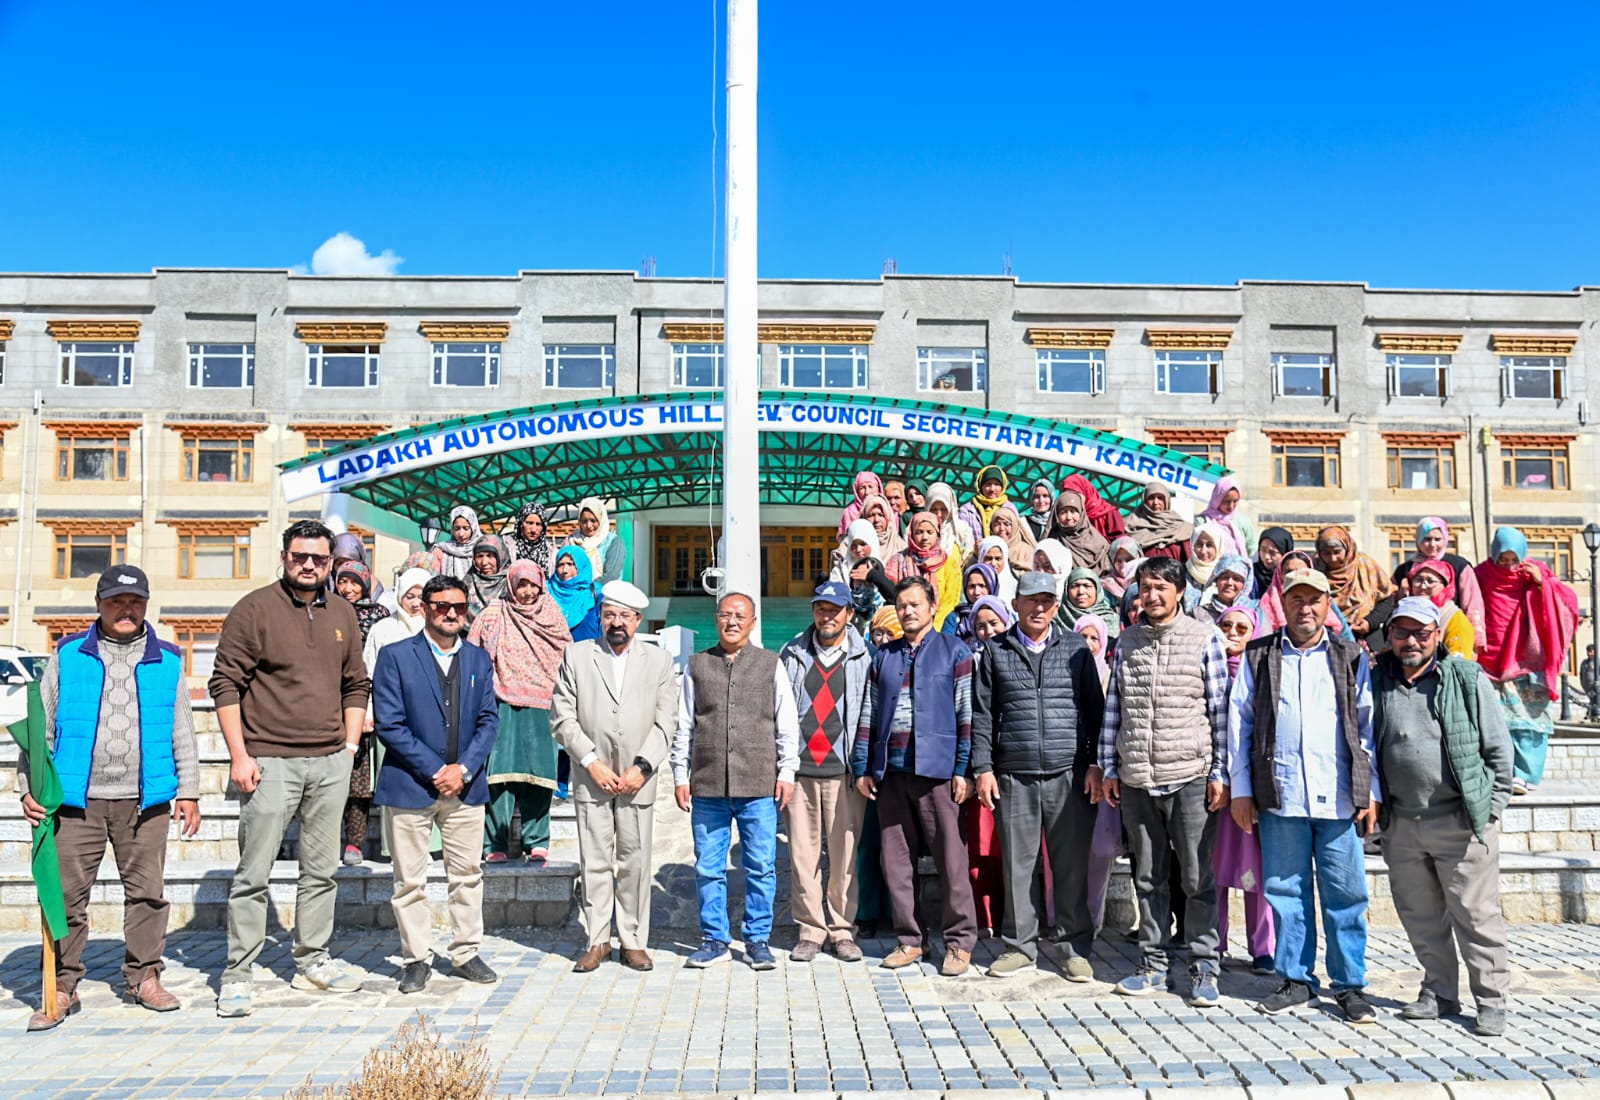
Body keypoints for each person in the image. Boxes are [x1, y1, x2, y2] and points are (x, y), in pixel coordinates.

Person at [19, 566, 199, 1031]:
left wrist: (190, 790)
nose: (126, 609)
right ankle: (61, 984)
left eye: (134, 601)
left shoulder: (168, 659)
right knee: (65, 897)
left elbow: (182, 729)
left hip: (145, 801)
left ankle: (144, 977)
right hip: (74, 800)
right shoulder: (68, 654)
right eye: (116, 601)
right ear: (99, 604)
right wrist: (28, 788)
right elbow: (39, 728)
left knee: (147, 895)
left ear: (146, 605)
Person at [211, 520, 371, 1017]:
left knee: (321, 871)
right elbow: (225, 684)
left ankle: (313, 961)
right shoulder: (254, 609)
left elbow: (355, 684)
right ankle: (238, 974)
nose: (308, 565)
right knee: (253, 873)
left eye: (319, 559)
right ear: (284, 557)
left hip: (330, 761)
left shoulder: (342, 612)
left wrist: (348, 747)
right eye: (300, 556)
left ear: (331, 562)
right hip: (269, 761)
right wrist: (239, 755)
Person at [1226, 568, 1380, 1024]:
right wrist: (1241, 790)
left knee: (1346, 895)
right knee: (1285, 892)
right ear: (1283, 604)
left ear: (1328, 604)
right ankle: (1296, 979)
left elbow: (1367, 727)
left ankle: (1350, 985)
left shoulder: (1349, 657)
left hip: (1338, 796)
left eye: (1314, 599)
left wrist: (1370, 790)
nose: (1305, 608)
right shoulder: (1260, 655)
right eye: (1296, 599)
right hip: (1281, 794)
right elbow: (1240, 724)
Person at [1089, 556, 1228, 1007]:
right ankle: (1152, 962)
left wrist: (1220, 771)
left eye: (1160, 588)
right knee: (1148, 878)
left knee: (1196, 877)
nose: (1151, 596)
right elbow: (1115, 705)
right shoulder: (1128, 640)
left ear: (1179, 592)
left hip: (1190, 774)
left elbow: (1219, 710)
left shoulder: (1204, 638)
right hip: (1137, 777)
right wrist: (1110, 766)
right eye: (1145, 588)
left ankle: (1204, 965)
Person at [1373, 596, 1514, 1036]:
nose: (1411, 641)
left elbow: (1499, 749)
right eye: (1402, 632)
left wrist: (1489, 810)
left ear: (1437, 635)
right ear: (1390, 636)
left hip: (1461, 822)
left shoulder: (1465, 678)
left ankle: (1491, 1000)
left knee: (1476, 915)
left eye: (1421, 632)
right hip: (1402, 823)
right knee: (1420, 915)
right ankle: (1439, 992)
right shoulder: (1376, 680)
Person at [972, 572, 1105, 981]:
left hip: (1069, 774)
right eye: (1032, 599)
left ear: (1057, 606)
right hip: (1015, 774)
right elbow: (982, 715)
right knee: (1018, 866)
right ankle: (1019, 946)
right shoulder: (996, 650)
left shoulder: (1076, 647)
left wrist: (1095, 764)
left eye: (1047, 600)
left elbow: (1095, 712)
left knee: (1070, 866)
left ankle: (1073, 948)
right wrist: (983, 768)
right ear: (1016, 604)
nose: (1040, 607)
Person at [371, 574, 500, 994]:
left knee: (468, 875)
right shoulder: (395, 656)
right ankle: (416, 959)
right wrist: (436, 770)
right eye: (442, 606)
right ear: (425, 608)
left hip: (466, 787)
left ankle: (466, 952)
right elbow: (390, 724)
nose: (451, 614)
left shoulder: (479, 659)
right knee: (410, 880)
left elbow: (488, 721)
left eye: (459, 607)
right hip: (410, 786)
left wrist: (463, 769)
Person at [852, 577, 979, 977]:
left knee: (951, 860)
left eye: (914, 604)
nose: (907, 611)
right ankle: (911, 939)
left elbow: (967, 714)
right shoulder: (884, 656)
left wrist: (963, 769)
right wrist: (863, 766)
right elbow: (869, 712)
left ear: (932, 606)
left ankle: (959, 942)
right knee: (896, 862)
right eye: (901, 605)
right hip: (891, 773)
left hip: (938, 772)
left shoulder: (954, 651)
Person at [550, 580, 678, 972]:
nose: (616, 622)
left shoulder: (658, 661)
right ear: (601, 618)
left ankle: (633, 940)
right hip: (592, 776)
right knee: (595, 860)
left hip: (638, 779)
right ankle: (598, 940)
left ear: (638, 620)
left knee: (635, 861)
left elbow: (667, 722)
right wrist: (591, 761)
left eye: (624, 616)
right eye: (609, 615)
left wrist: (643, 767)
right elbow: (562, 717)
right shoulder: (577, 656)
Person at [672, 593, 801, 970]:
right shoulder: (697, 665)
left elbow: (786, 723)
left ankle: (757, 939)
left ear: (753, 622)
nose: (732, 622)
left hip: (758, 783)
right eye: (725, 615)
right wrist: (680, 773)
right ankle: (714, 938)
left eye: (740, 616)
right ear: (716, 619)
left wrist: (787, 771)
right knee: (708, 867)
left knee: (761, 866)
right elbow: (684, 725)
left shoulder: (771, 664)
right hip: (708, 784)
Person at [778, 581, 873, 963]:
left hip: (843, 772)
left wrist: (863, 765)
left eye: (835, 610)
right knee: (803, 856)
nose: (827, 616)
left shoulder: (864, 656)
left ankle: (842, 929)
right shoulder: (792, 653)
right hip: (800, 771)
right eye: (821, 609)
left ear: (849, 614)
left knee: (844, 856)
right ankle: (810, 930)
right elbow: (779, 708)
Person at [469, 560, 573, 864]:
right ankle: (494, 842)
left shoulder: (552, 615)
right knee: (498, 777)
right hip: (501, 704)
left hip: (543, 705)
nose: (527, 592)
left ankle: (537, 840)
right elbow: (474, 653)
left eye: (532, 585)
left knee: (540, 777)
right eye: (521, 585)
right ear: (511, 585)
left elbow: (567, 658)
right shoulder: (494, 613)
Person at [1474, 526, 1580, 795]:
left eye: (1514, 559)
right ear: (1494, 555)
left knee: (1529, 717)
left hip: (1528, 659)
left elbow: (1568, 602)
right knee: (1495, 720)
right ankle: (1500, 771)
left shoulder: (1535, 572)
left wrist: (1542, 584)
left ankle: (1525, 775)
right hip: (1490, 657)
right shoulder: (1481, 575)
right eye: (1503, 559)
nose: (1509, 566)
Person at [1211, 605, 1274, 975]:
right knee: (1214, 869)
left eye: (1241, 628)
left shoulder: (1262, 671)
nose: (1232, 633)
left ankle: (1262, 947)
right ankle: (1214, 942)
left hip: (1251, 784)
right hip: (1215, 785)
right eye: (1227, 626)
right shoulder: (1207, 667)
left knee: (1257, 871)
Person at [961, 593, 1015, 939]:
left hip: (1013, 765)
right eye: (980, 626)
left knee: (1011, 849)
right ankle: (985, 917)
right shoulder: (966, 660)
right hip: (978, 765)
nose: (987, 631)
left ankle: (1014, 918)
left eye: (994, 623)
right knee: (981, 848)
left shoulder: (1017, 657)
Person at [333, 560, 389, 865]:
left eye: (355, 582)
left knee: (358, 780)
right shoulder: (326, 610)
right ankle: (326, 840)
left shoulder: (379, 615)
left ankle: (354, 843)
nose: (348, 589)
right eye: (343, 581)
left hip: (365, 700)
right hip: (329, 701)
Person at [1403, 517, 1486, 649]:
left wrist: (1477, 640)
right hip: (1415, 635)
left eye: (1437, 539)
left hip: (1451, 628)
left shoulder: (1459, 566)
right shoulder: (1407, 568)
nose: (1432, 545)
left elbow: (1472, 603)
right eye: (1427, 539)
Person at [1314, 525, 1393, 645]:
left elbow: (1387, 599)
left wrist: (1369, 622)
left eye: (1337, 552)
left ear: (1347, 548)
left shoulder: (1365, 565)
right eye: (1326, 553)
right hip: (1326, 640)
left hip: (1367, 639)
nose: (1333, 558)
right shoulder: (1315, 571)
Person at [884, 512, 962, 629]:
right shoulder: (898, 561)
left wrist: (933, 628)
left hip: (940, 627)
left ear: (938, 534)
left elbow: (950, 601)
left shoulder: (949, 563)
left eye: (930, 532)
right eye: (919, 532)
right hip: (905, 625)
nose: (925, 537)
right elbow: (893, 596)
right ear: (911, 534)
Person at [1406, 560, 1476, 658]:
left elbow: (1458, 663)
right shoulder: (1405, 613)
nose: (1423, 586)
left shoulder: (1455, 620)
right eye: (1418, 580)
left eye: (1431, 581)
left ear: (1445, 586)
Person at [1049, 489, 1111, 577]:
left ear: (1081, 512)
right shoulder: (1052, 541)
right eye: (1063, 512)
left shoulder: (1100, 543)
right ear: (1056, 515)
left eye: (1073, 511)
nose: (1068, 517)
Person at [564, 496, 626, 585]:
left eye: (593, 520)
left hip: (603, 592)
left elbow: (611, 576)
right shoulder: (571, 541)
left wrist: (586, 589)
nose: (589, 525)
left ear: (601, 520)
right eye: (584, 521)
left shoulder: (613, 542)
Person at [1123, 484, 1192, 562]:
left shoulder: (1182, 527)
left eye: (1160, 498)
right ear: (1145, 501)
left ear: (1166, 500)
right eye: (1151, 498)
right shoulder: (1131, 525)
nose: (1156, 502)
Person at [1199, 476, 1258, 562]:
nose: (1231, 506)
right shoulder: (1202, 521)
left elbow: (1252, 549)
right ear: (1217, 499)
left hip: (1239, 568)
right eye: (1227, 501)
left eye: (1235, 501)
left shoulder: (1243, 521)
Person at [942, 561, 999, 644]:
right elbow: (945, 646)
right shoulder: (955, 618)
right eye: (972, 586)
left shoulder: (1002, 615)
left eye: (982, 585)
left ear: (992, 587)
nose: (976, 592)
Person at [1060, 567, 1122, 643]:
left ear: (1097, 591)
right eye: (1075, 586)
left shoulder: (1113, 621)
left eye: (1087, 586)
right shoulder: (1056, 620)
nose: (1081, 592)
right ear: (1066, 590)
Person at [1193, 556, 1255, 628]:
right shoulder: (1199, 613)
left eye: (1236, 578)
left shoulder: (1254, 611)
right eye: (1225, 577)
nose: (1229, 583)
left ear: (1245, 585)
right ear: (1216, 581)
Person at [1060, 473, 1126, 541]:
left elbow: (1119, 542)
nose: (1072, 499)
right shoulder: (1068, 516)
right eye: (1068, 496)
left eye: (1076, 494)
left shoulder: (1110, 512)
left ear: (1086, 491)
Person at [957, 464, 1011, 546]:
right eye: (988, 484)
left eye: (996, 484)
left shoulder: (1010, 509)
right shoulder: (967, 510)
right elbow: (961, 537)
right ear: (980, 486)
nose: (992, 489)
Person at [463, 533, 511, 620]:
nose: (484, 562)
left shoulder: (511, 584)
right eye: (480, 556)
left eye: (490, 556)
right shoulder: (466, 585)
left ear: (501, 556)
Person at [924, 482, 974, 562]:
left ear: (950, 508)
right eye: (933, 509)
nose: (938, 514)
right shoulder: (917, 529)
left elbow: (968, 561)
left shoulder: (962, 531)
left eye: (944, 509)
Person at [430, 505, 483, 581]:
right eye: (457, 528)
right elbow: (432, 579)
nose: (461, 534)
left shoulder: (482, 548)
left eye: (466, 528)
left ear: (473, 527)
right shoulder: (441, 551)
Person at [1183, 521, 1226, 610]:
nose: (1203, 551)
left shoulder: (1226, 576)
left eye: (1209, 545)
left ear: (1218, 546)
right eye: (1199, 544)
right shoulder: (1182, 572)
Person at [507, 500, 558, 574]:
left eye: (538, 524)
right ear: (521, 524)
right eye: (529, 523)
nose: (533, 530)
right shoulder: (508, 548)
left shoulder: (552, 554)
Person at [989, 504, 1038, 576]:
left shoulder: (1026, 551)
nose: (1002, 528)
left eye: (1006, 524)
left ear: (1014, 526)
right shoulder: (987, 549)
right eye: (997, 524)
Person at [837, 470, 885, 539]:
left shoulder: (886, 509)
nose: (867, 492)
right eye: (862, 488)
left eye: (870, 486)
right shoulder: (849, 512)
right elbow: (844, 538)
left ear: (879, 488)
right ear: (857, 491)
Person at [859, 493, 907, 559]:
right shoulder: (853, 544)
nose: (876, 520)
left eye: (881, 515)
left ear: (888, 518)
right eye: (871, 515)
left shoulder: (901, 547)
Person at [1252, 528, 1294, 600]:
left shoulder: (1291, 575)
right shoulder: (1251, 574)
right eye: (1263, 550)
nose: (1266, 557)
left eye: (1272, 552)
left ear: (1285, 553)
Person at [976, 535, 1020, 601]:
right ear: (981, 558)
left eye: (998, 559)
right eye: (989, 558)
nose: (993, 563)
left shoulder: (1015, 587)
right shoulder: (973, 584)